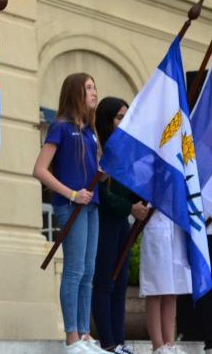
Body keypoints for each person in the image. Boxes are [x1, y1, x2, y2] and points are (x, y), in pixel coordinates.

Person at [33, 73, 111, 353]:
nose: (94, 92)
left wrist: (102, 175)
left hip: (91, 206)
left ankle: (85, 334)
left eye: (94, 86)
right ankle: (71, 337)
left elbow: (93, 171)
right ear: (75, 93)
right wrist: (72, 194)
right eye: (88, 88)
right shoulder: (61, 127)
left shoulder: (91, 132)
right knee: (75, 269)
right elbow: (40, 169)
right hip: (71, 206)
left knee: (88, 272)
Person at [92, 97, 145, 354]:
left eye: (126, 117)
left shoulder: (124, 150)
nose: (124, 122)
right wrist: (130, 208)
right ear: (107, 119)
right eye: (119, 117)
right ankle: (108, 342)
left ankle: (119, 341)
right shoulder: (98, 149)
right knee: (104, 282)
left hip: (122, 224)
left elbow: (130, 189)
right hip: (103, 224)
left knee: (120, 283)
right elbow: (100, 194)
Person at [141, 210, 191, 353]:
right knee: (155, 289)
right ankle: (158, 346)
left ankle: (169, 344)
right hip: (156, 223)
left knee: (171, 291)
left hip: (176, 227)